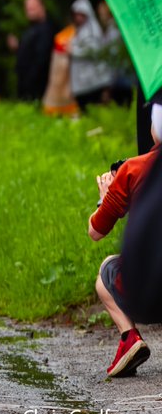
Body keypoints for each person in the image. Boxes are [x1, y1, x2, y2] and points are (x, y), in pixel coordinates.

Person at [88, 105, 162, 377]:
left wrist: (105, 197)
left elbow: (95, 231)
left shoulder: (133, 170)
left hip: (151, 293)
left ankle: (130, 338)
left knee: (107, 269)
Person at [69, 0, 116, 111]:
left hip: (92, 81)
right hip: (82, 80)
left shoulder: (92, 29)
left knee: (91, 109)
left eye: (80, 14)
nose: (77, 17)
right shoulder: (80, 29)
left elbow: (94, 51)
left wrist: (72, 51)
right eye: (76, 14)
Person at [8, 0, 54, 102]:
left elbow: (41, 58)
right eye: (27, 8)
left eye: (33, 8)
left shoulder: (46, 30)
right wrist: (17, 48)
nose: (29, 11)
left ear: (42, 7)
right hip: (26, 85)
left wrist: (30, 80)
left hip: (37, 86)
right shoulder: (31, 28)